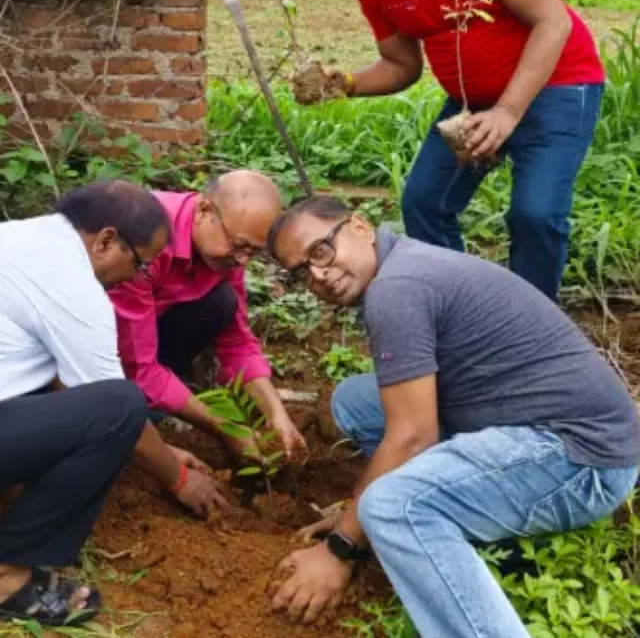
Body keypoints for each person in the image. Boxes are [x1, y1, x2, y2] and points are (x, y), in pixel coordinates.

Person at [266, 196, 640, 636]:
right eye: (301, 272)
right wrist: (355, 513)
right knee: (356, 401)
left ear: (361, 227)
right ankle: (453, 514)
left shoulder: (397, 288)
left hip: (578, 460)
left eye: (321, 250)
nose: (318, 274)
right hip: (553, 428)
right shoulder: (403, 265)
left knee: (391, 505)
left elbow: (412, 438)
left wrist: (341, 546)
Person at [298, 0, 605, 300]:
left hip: (559, 84)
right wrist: (345, 85)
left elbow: (553, 21)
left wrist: (507, 112)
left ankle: (529, 328)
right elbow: (402, 66)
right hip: (474, 102)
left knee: (535, 214)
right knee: (424, 201)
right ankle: (461, 307)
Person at [0, 181, 228, 628]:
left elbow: (72, 391)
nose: (137, 277)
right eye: (140, 264)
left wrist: (156, 446)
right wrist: (176, 476)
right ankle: (9, 575)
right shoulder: (74, 286)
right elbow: (113, 411)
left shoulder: (20, 238)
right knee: (123, 404)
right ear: (106, 240)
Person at [108, 170, 305, 460]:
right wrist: (224, 429)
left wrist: (276, 412)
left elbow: (236, 340)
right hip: (100, 338)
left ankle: (161, 395)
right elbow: (138, 363)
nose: (242, 260)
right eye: (238, 245)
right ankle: (136, 405)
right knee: (132, 386)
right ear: (204, 210)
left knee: (222, 303)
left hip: (152, 324)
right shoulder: (144, 242)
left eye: (254, 251)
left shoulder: (227, 255)